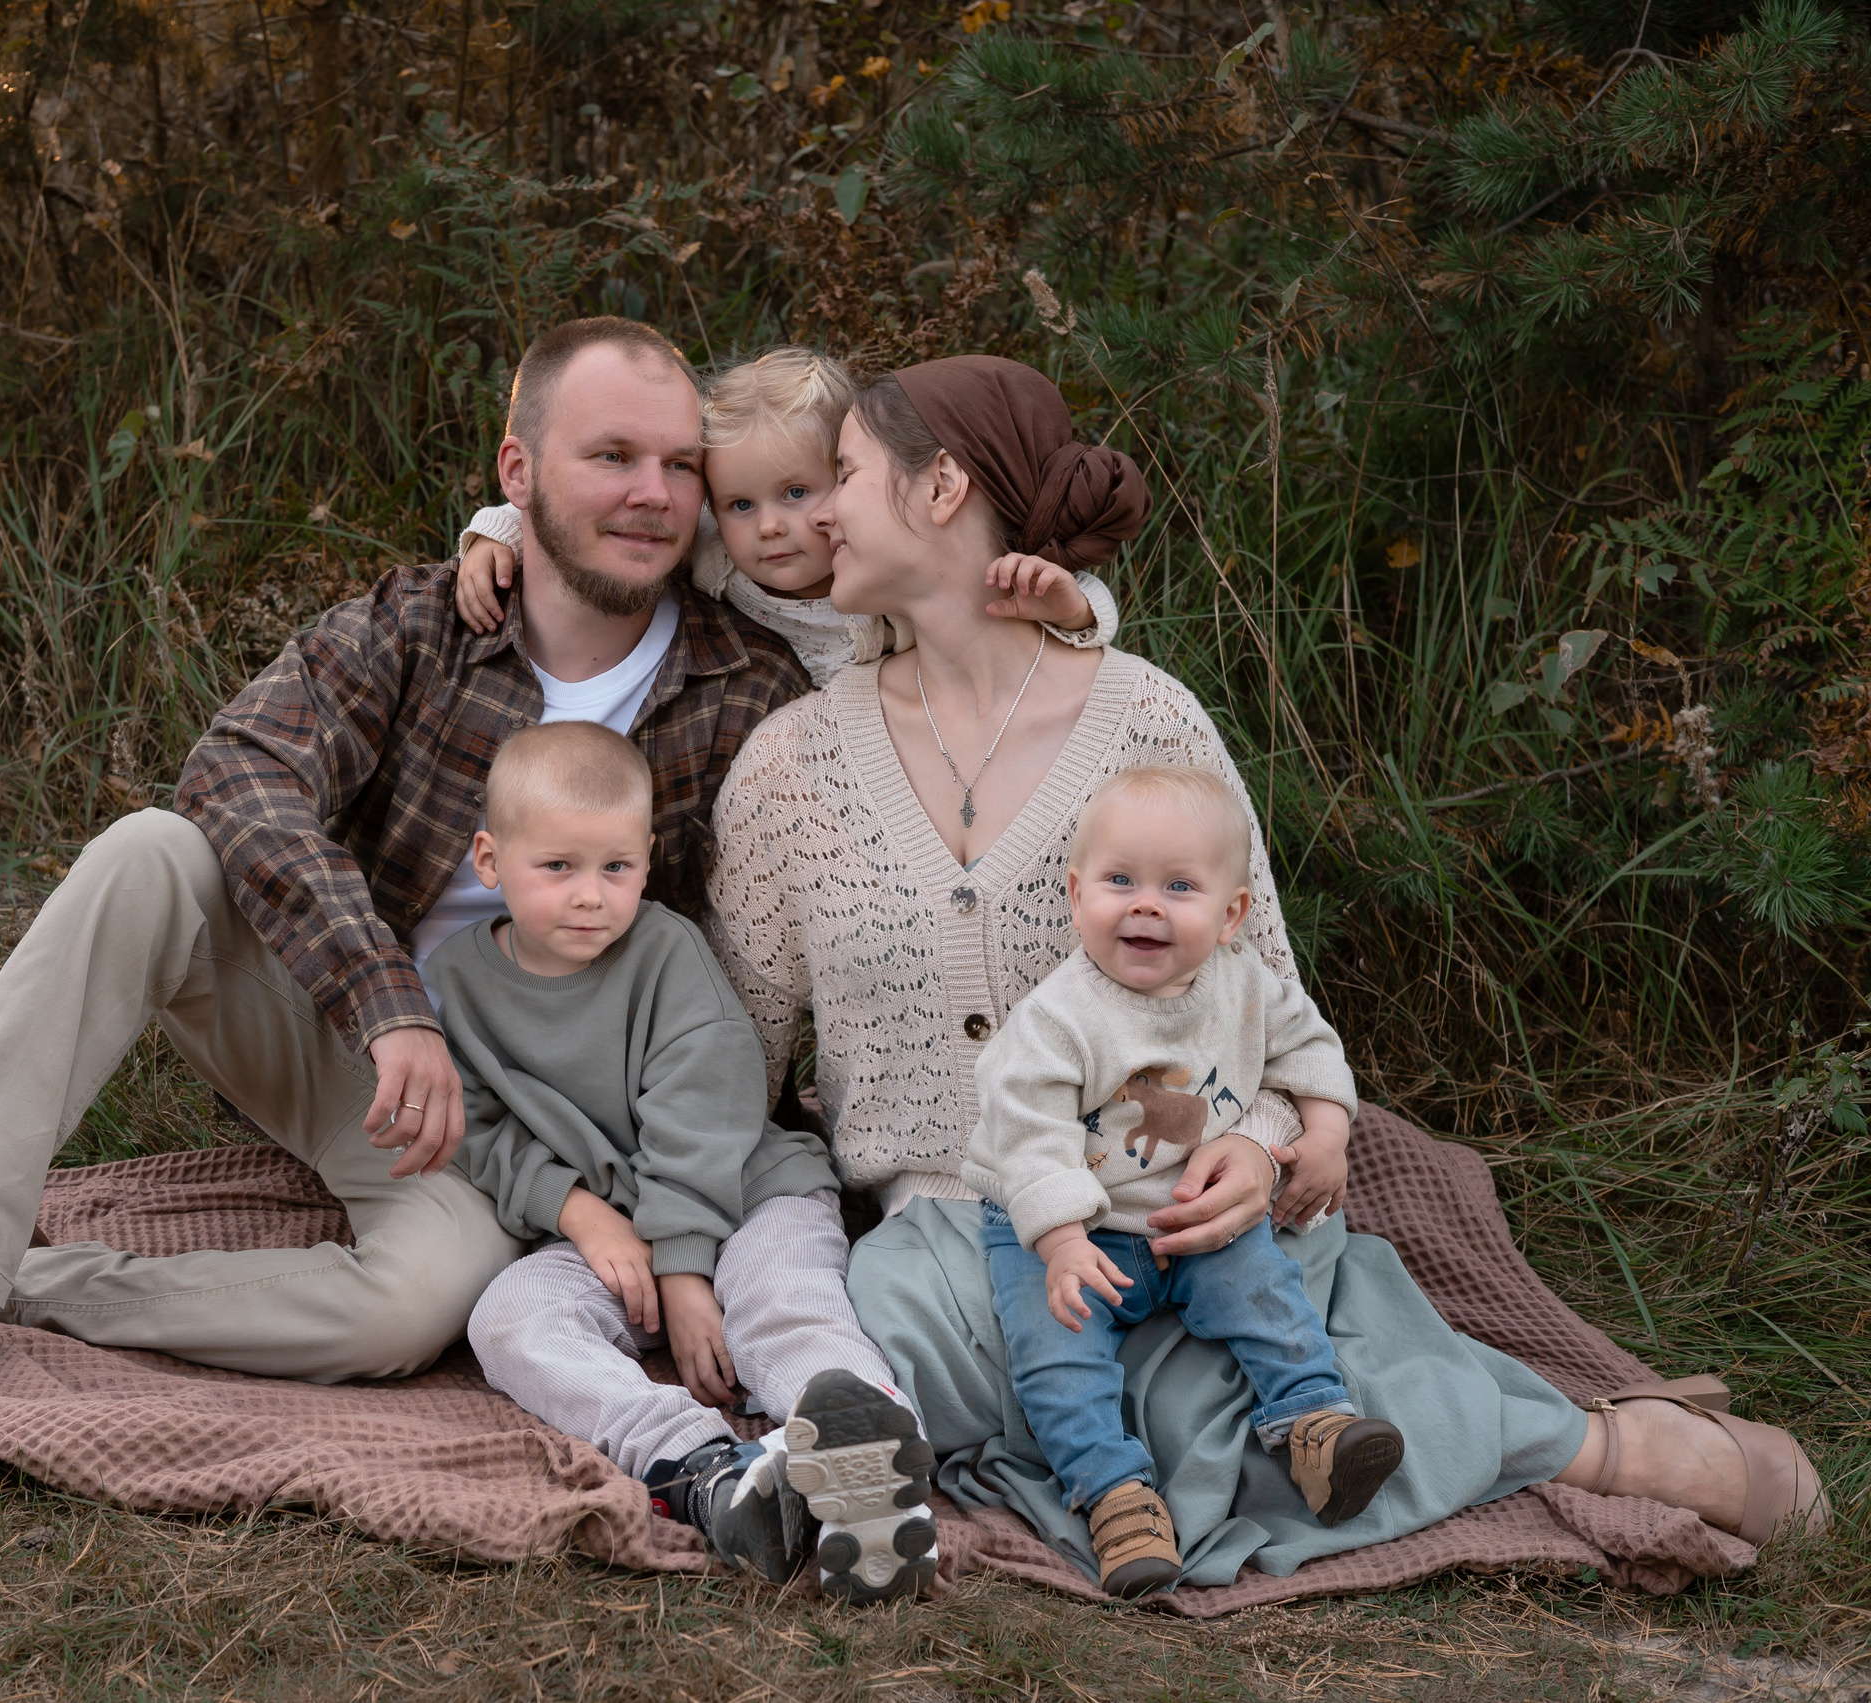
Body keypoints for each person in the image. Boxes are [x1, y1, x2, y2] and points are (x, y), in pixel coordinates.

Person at [703, 353, 1824, 1589]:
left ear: (944, 486)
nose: (810, 516)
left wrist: (1263, 1144)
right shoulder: (788, 768)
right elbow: (730, 1066)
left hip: (1175, 1208)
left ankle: (1611, 1447)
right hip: (958, 1243)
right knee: (933, 1343)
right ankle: (1498, 1440)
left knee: (1245, 1348)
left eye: (843, 479)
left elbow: (1266, 992)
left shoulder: (1148, 720)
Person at [0, 316, 813, 1463]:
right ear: (517, 474)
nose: (652, 494)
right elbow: (239, 767)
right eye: (611, 456)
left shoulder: (742, 687)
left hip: (520, 1121)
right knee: (151, 852)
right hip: (349, 1045)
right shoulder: (420, 623)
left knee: (413, 1305)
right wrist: (387, 1000)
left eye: (679, 466)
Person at [435, 721, 937, 1604]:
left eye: (615, 868)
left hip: (747, 1195)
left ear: (647, 859)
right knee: (510, 1316)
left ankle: (864, 1442)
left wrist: (683, 1268)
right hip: (608, 1231)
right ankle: (705, 1469)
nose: (591, 896)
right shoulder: (458, 982)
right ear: (489, 859)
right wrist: (576, 1211)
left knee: (785, 1304)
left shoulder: (665, 951)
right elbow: (476, 1128)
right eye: (558, 867)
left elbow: (705, 1111)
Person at [968, 763, 1402, 1597]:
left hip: (1190, 1218)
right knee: (1055, 1351)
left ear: (1232, 912)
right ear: (1076, 892)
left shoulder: (1245, 984)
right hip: (1073, 1228)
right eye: (1120, 880)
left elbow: (1311, 1048)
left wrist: (1327, 1132)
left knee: (1265, 1287)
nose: (1145, 904)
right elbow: (1025, 1137)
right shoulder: (1058, 1017)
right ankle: (1115, 1495)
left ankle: (1316, 1424)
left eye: (1178, 886)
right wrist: (1059, 1241)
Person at [451, 346, 1119, 685]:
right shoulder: (717, 553)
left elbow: (1029, 593)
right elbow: (612, 528)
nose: (768, 526)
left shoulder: (888, 573)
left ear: (847, 477)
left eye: (797, 494)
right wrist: (499, 532)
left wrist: (1074, 613)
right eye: (740, 503)